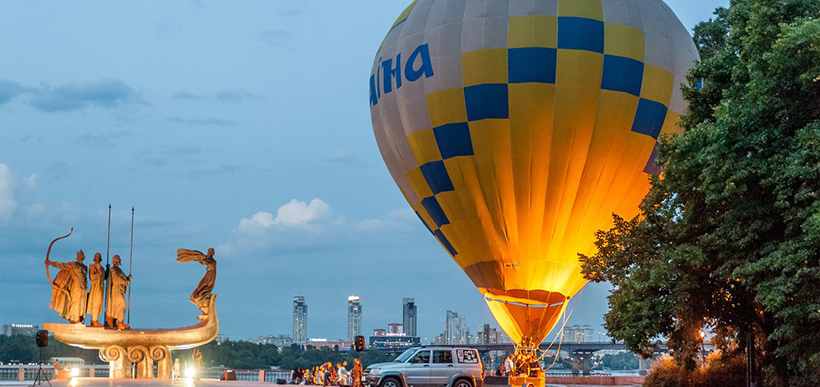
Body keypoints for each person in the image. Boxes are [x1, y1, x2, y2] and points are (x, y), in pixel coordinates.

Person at [46, 250, 88, 323]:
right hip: (76, 286)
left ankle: (79, 318)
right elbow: (62, 265)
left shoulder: (85, 267)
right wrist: (50, 263)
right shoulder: (73, 264)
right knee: (76, 302)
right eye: (77, 255)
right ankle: (74, 319)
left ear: (83, 257)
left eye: (80, 255)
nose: (78, 257)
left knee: (82, 303)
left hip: (83, 287)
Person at [106, 255, 132, 330]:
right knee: (122, 304)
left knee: (119, 305)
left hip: (120, 290)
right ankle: (120, 323)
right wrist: (124, 281)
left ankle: (119, 322)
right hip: (116, 290)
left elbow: (122, 277)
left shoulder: (119, 270)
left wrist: (127, 278)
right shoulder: (113, 269)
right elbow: (116, 278)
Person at [86, 253, 105, 327]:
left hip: (101, 287)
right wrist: (98, 274)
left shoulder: (102, 268)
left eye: (99, 257)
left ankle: (95, 319)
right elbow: (92, 277)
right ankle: (94, 320)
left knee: (99, 303)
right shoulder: (92, 266)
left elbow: (104, 277)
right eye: (96, 257)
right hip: (95, 287)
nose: (98, 258)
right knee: (95, 303)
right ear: (94, 258)